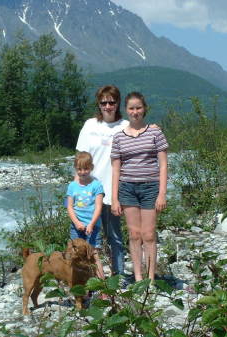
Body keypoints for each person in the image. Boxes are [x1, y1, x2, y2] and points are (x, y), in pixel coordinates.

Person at [110, 92, 168, 281]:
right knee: (134, 235)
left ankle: (150, 279)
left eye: (138, 108)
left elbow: (164, 165)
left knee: (149, 235)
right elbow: (116, 169)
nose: (135, 112)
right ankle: (138, 278)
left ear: (145, 109)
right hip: (127, 188)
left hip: (150, 187)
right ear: (126, 110)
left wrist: (162, 194)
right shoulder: (119, 137)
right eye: (131, 108)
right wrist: (114, 198)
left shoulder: (155, 132)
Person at [76, 85, 128, 277]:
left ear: (117, 103)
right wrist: (75, 190)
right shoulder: (90, 125)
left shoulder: (125, 126)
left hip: (115, 192)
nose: (107, 106)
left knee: (115, 237)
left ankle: (119, 276)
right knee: (90, 238)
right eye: (103, 102)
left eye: (111, 102)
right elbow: (80, 159)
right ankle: (93, 279)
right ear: (98, 104)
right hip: (90, 192)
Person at [67, 151, 105, 279]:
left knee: (94, 255)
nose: (83, 172)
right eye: (79, 169)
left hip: (92, 226)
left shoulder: (97, 185)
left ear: (91, 168)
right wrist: (77, 223)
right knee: (75, 254)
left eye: (86, 168)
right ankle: (80, 283)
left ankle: (101, 286)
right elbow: (70, 207)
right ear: (75, 169)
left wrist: (91, 224)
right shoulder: (72, 186)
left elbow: (99, 207)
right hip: (76, 226)